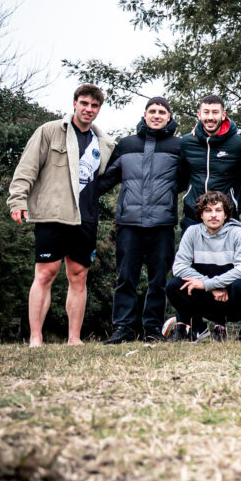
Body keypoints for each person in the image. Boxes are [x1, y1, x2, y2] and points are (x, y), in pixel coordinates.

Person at [8, 84, 114, 346]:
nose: (89, 109)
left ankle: (74, 339)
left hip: (86, 217)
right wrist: (17, 200)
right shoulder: (49, 131)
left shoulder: (105, 143)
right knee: (45, 274)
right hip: (53, 213)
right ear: (75, 103)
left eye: (95, 106)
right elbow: (27, 168)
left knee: (78, 275)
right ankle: (35, 338)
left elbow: (105, 179)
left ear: (99, 109)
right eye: (85, 103)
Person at [96, 96, 184, 344]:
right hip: (129, 224)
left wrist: (166, 194)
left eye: (162, 112)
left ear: (169, 117)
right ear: (145, 115)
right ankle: (122, 329)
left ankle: (152, 330)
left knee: (158, 281)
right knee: (126, 279)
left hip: (162, 224)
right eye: (152, 111)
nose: (157, 115)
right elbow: (107, 179)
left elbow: (186, 178)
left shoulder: (178, 146)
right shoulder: (126, 144)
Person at [166, 191, 241, 342]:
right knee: (174, 286)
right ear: (201, 215)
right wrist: (210, 287)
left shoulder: (238, 233)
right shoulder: (192, 232)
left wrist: (210, 284)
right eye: (208, 210)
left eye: (218, 210)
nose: (213, 215)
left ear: (226, 214)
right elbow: (179, 267)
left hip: (230, 297)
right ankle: (198, 327)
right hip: (205, 297)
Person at [179, 94, 241, 229]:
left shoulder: (238, 143)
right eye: (206, 112)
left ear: (223, 115)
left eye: (215, 112)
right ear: (199, 114)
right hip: (194, 217)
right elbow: (181, 176)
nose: (210, 117)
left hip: (227, 218)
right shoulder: (187, 142)